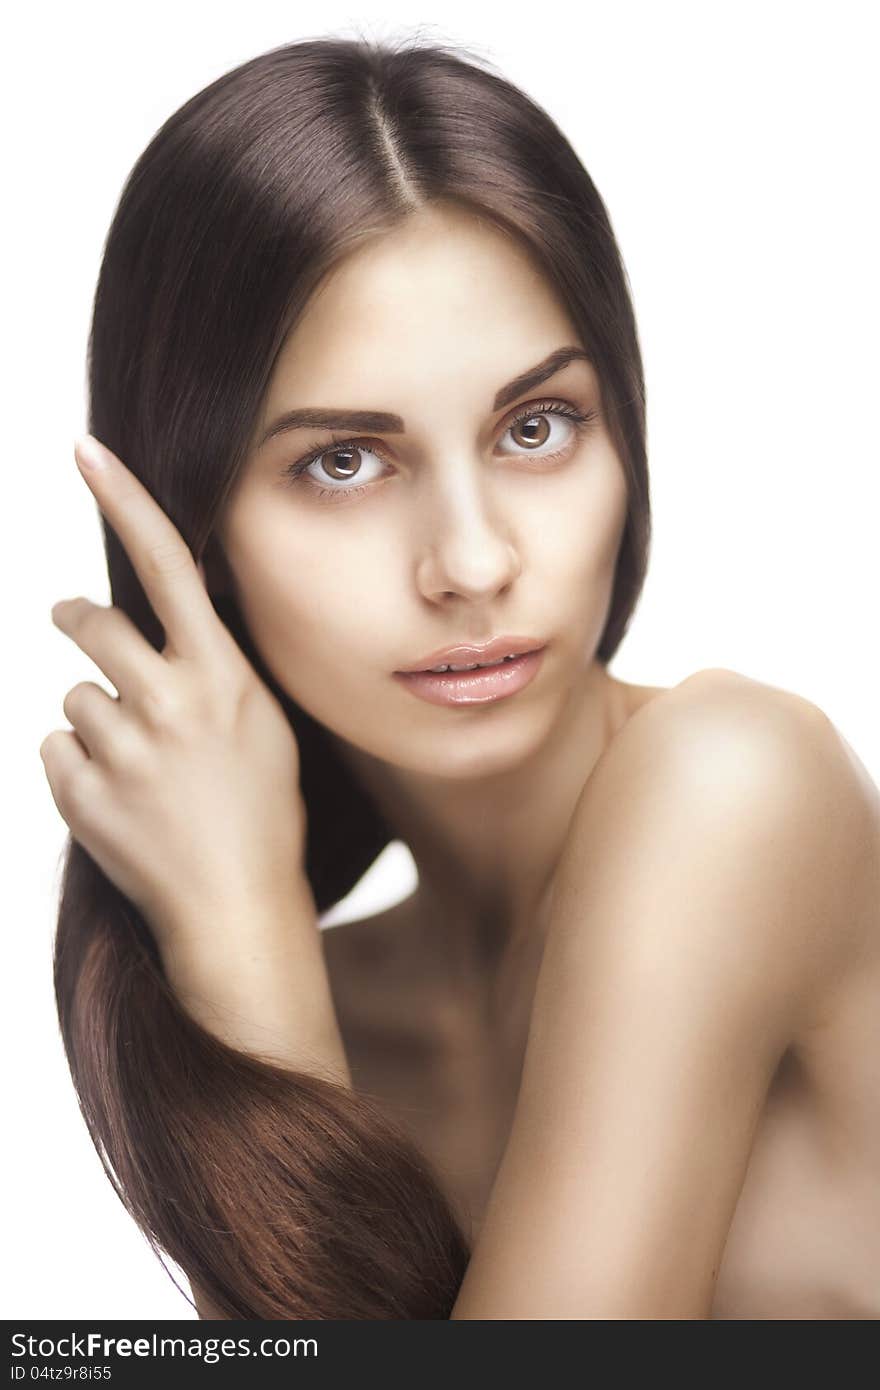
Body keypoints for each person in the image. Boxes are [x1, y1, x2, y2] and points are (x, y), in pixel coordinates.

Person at [39, 35, 879, 1319]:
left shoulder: (733, 786)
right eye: (343, 463)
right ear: (196, 538)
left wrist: (251, 960)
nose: (474, 561)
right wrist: (257, 983)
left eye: (535, 427)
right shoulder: (336, 1015)